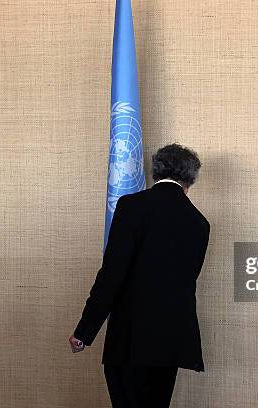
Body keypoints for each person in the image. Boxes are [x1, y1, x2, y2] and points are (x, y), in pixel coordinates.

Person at [69, 143, 210, 408]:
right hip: (172, 340)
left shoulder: (133, 206)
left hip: (130, 338)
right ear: (190, 178)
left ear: (155, 170)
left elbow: (112, 274)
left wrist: (85, 331)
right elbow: (185, 281)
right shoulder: (199, 222)